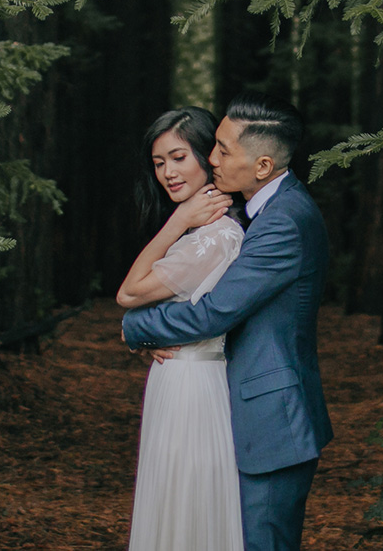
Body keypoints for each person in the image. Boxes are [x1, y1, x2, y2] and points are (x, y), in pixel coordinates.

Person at [122, 101, 332, 551]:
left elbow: (214, 313)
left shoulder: (284, 222)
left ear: (262, 164)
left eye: (220, 149)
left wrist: (137, 326)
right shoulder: (266, 212)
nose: (211, 158)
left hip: (274, 420)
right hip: (245, 407)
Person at [116, 107, 246, 551]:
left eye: (178, 157)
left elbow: (129, 294)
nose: (168, 173)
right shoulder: (199, 234)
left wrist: (179, 220)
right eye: (158, 163)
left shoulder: (213, 236)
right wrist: (148, 335)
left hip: (193, 383)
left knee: (185, 499)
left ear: (207, 157)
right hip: (181, 375)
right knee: (173, 497)